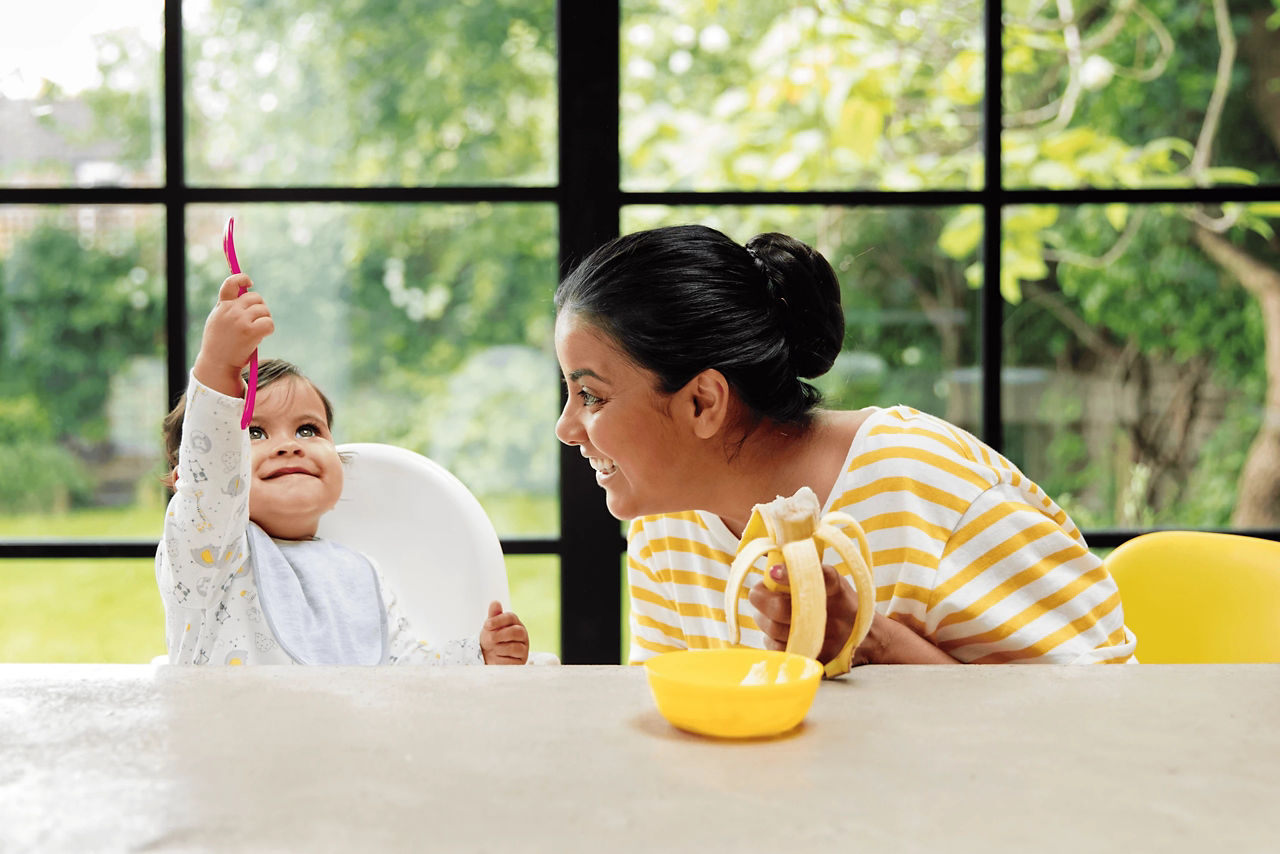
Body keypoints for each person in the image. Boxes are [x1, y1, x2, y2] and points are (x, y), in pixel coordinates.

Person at [553, 224, 1136, 670]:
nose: (566, 427)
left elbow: (1098, 717)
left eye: (591, 395)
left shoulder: (927, 485)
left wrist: (869, 639)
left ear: (703, 401)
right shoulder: (665, 525)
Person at [156, 273, 529, 666]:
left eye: (308, 429)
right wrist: (218, 362)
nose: (289, 444)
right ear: (188, 478)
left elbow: (402, 674)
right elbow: (213, 476)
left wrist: (478, 658)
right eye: (253, 431)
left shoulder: (361, 573)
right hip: (230, 728)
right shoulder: (208, 554)